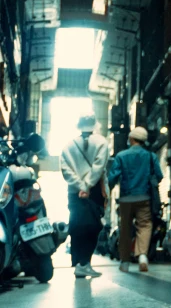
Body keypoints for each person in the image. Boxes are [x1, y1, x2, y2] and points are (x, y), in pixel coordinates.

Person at [108, 126, 163, 273]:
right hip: (145, 196)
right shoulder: (151, 157)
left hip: (126, 198)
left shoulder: (121, 156)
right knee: (144, 225)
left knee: (125, 229)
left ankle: (125, 262)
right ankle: (142, 256)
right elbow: (159, 175)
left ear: (132, 139)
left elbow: (112, 177)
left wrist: (108, 191)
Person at [60, 113, 109, 279]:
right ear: (95, 125)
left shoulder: (68, 146)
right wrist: (87, 186)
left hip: (74, 192)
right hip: (94, 191)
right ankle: (84, 264)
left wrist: (80, 186)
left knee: (77, 226)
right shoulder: (101, 142)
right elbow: (99, 166)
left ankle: (80, 263)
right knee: (93, 226)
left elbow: (65, 170)